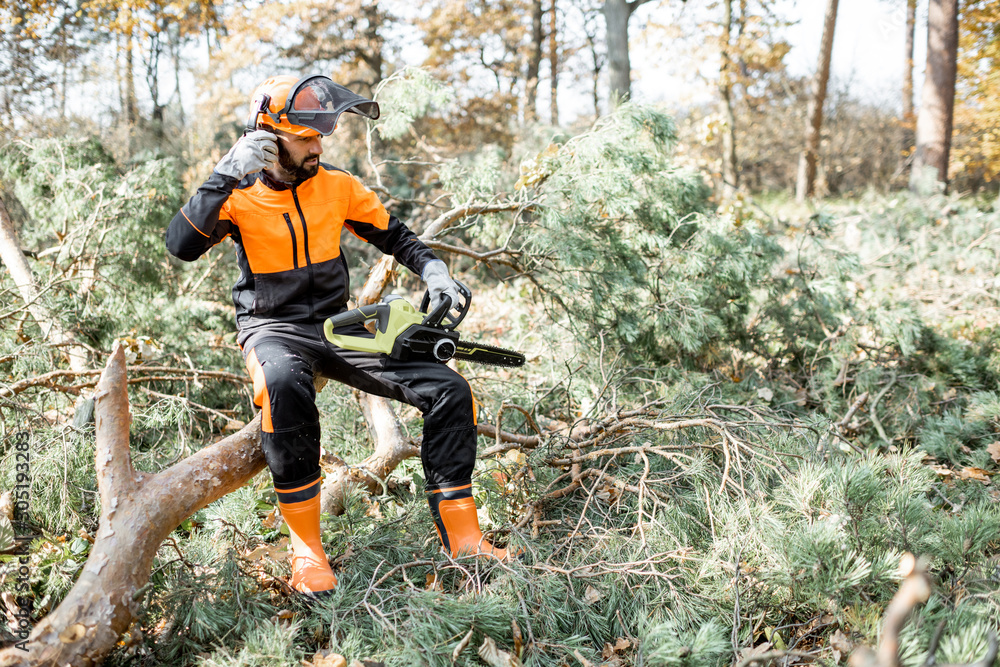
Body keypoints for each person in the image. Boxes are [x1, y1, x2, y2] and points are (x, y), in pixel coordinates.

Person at [165, 74, 510, 598]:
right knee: (282, 387)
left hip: (337, 324)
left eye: (320, 136)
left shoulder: (338, 185)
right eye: (305, 137)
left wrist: (435, 270)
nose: (316, 146)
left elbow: (396, 236)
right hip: (272, 328)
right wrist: (222, 174)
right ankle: (307, 550)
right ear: (268, 135)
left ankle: (464, 538)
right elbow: (180, 245)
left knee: (450, 391)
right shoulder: (236, 194)